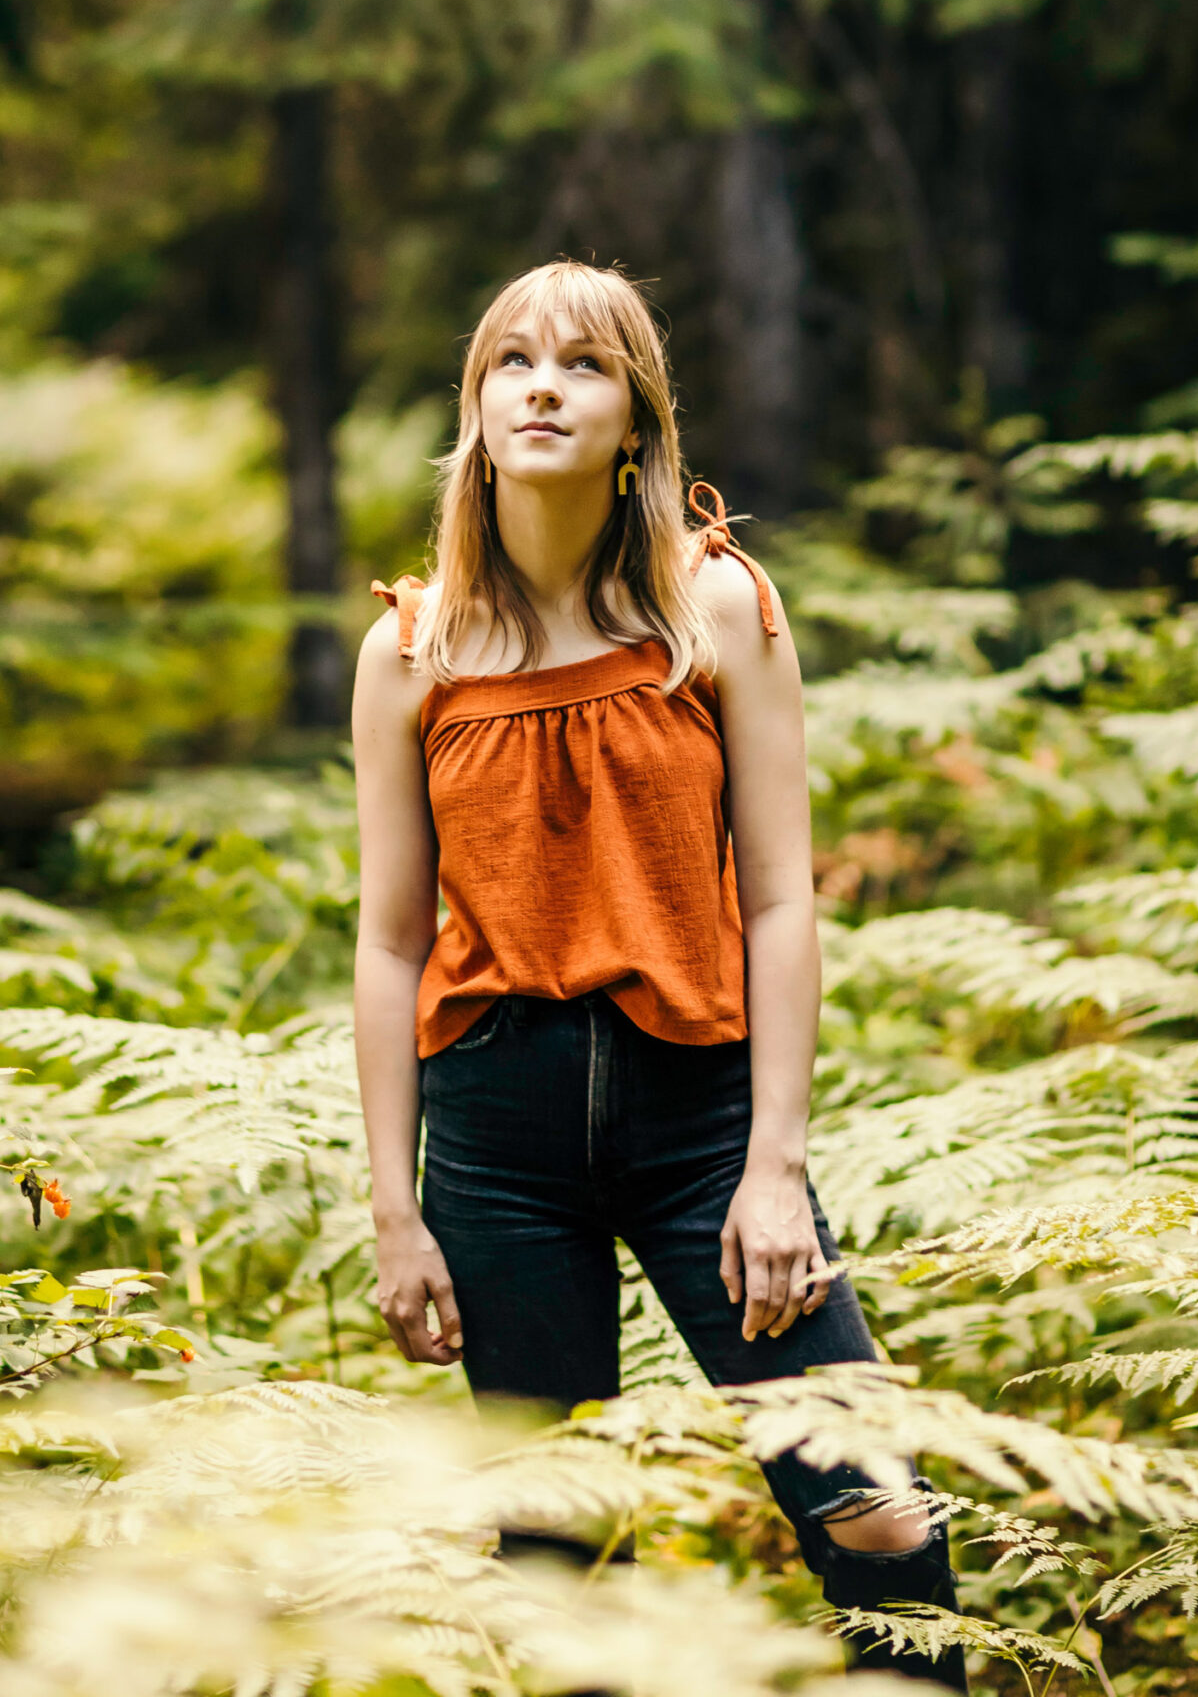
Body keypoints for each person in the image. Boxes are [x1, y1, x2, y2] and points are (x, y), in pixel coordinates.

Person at [351, 259, 965, 1685]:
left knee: (873, 1510)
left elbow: (781, 905)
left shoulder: (719, 610)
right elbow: (389, 944)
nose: (545, 385)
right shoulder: (413, 646)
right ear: (477, 407)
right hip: (496, 1142)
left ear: (637, 419)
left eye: (585, 364)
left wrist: (773, 1166)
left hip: (702, 1127)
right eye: (514, 361)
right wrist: (397, 1208)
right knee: (558, 1560)